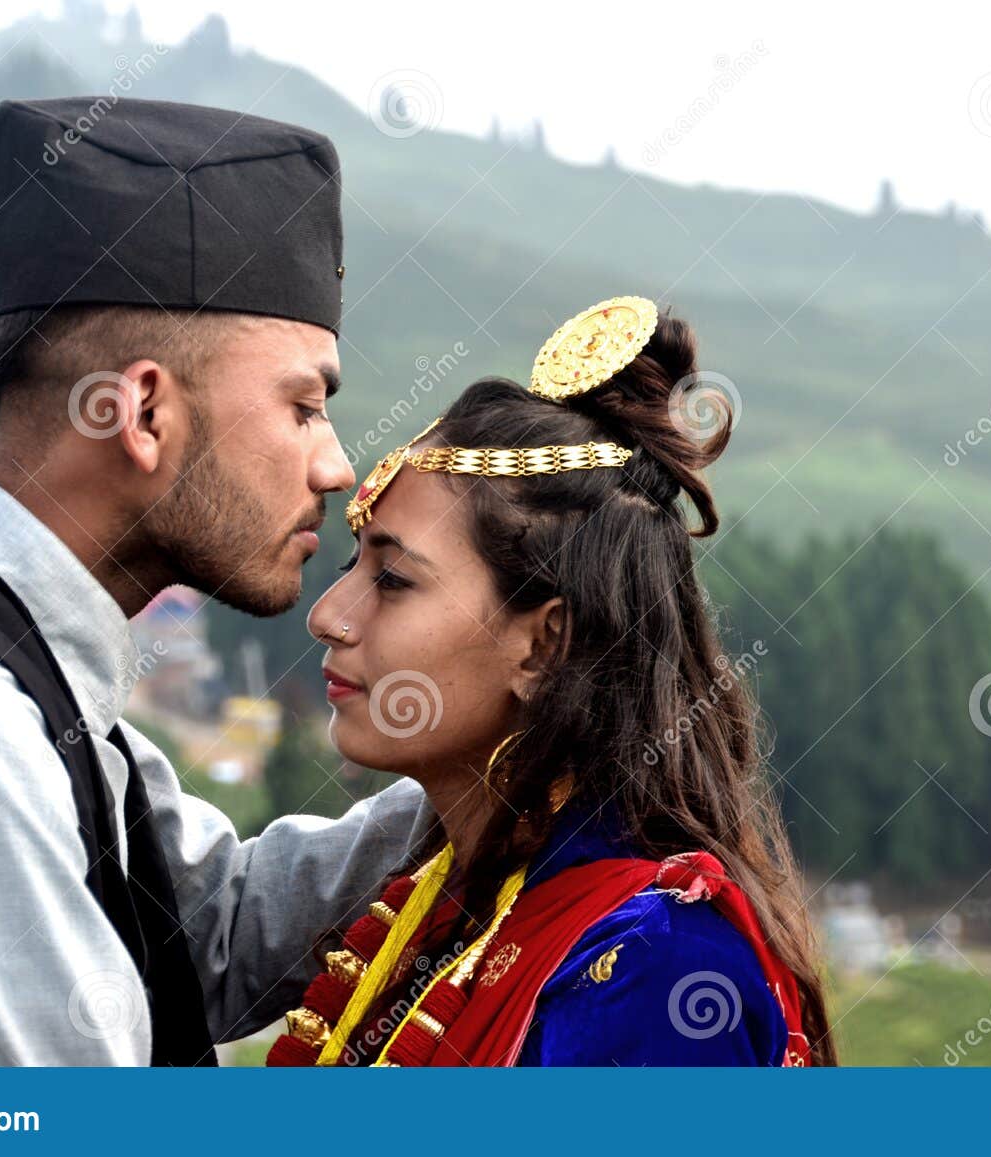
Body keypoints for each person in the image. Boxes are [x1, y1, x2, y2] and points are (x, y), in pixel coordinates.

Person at [0, 97, 431, 1066]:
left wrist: (487, 768)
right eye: (304, 404)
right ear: (145, 410)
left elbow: (203, 934)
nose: (333, 465)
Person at [269, 296, 837, 1066]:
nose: (330, 615)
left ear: (544, 645)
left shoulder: (656, 965)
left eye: (393, 579)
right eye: (350, 564)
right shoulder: (450, 898)